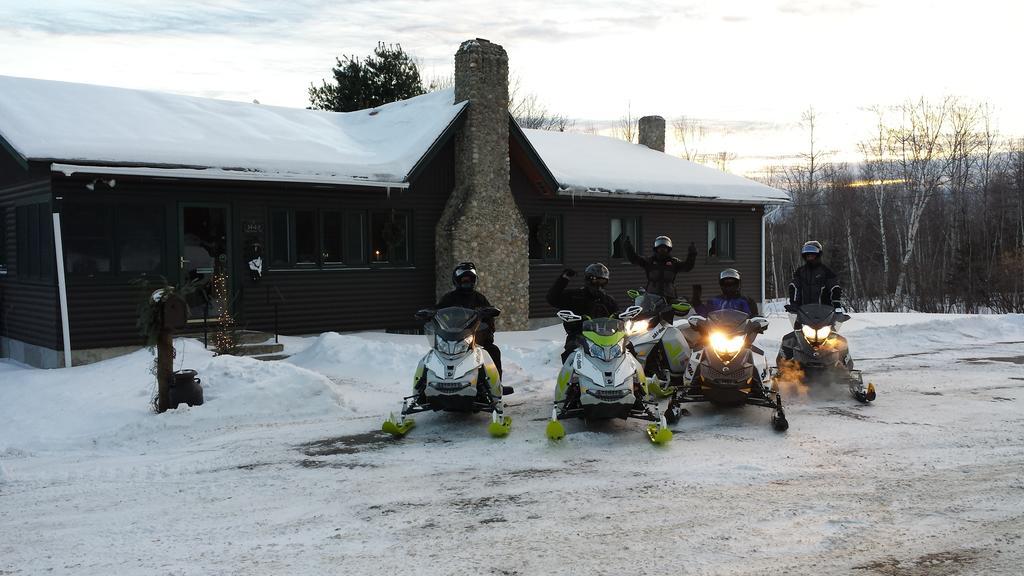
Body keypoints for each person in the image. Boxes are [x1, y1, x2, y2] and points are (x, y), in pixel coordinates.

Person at [435, 262, 502, 376]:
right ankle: (424, 385)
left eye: (469, 279)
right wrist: (429, 314)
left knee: (493, 351)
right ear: (457, 280)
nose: (467, 282)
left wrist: (488, 333)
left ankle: (496, 385)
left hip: (474, 340)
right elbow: (437, 312)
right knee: (432, 356)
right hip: (451, 340)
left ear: (474, 280)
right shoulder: (449, 298)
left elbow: (490, 318)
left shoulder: (479, 298)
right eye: (464, 279)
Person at [547, 263, 619, 363]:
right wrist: (563, 279)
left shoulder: (608, 300)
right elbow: (552, 299)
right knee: (571, 355)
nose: (599, 284)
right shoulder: (576, 296)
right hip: (579, 336)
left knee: (628, 348)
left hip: (606, 338)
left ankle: (636, 376)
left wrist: (623, 318)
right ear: (588, 280)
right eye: (595, 280)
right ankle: (572, 377)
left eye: (602, 281)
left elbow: (618, 317)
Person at [623, 235, 698, 323]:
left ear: (669, 249)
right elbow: (635, 259)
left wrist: (692, 255)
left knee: (669, 322)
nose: (662, 250)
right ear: (656, 249)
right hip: (651, 298)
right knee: (642, 320)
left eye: (665, 248)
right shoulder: (649, 261)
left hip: (669, 298)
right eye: (660, 248)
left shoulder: (674, 262)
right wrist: (628, 248)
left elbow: (687, 267)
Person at [786, 240, 842, 313]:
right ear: (805, 256)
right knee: (796, 323)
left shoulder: (826, 272)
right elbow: (794, 287)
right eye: (808, 255)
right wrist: (793, 304)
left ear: (818, 255)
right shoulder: (800, 272)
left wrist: (836, 304)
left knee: (834, 322)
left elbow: (834, 287)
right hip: (803, 313)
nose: (810, 257)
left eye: (812, 255)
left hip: (824, 313)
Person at [692, 269, 761, 317]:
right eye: (726, 283)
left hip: (741, 333)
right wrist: (697, 302)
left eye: (732, 283)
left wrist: (758, 324)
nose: (729, 286)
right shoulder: (714, 301)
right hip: (717, 333)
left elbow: (754, 317)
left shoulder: (747, 301)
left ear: (738, 283)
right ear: (721, 284)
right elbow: (705, 314)